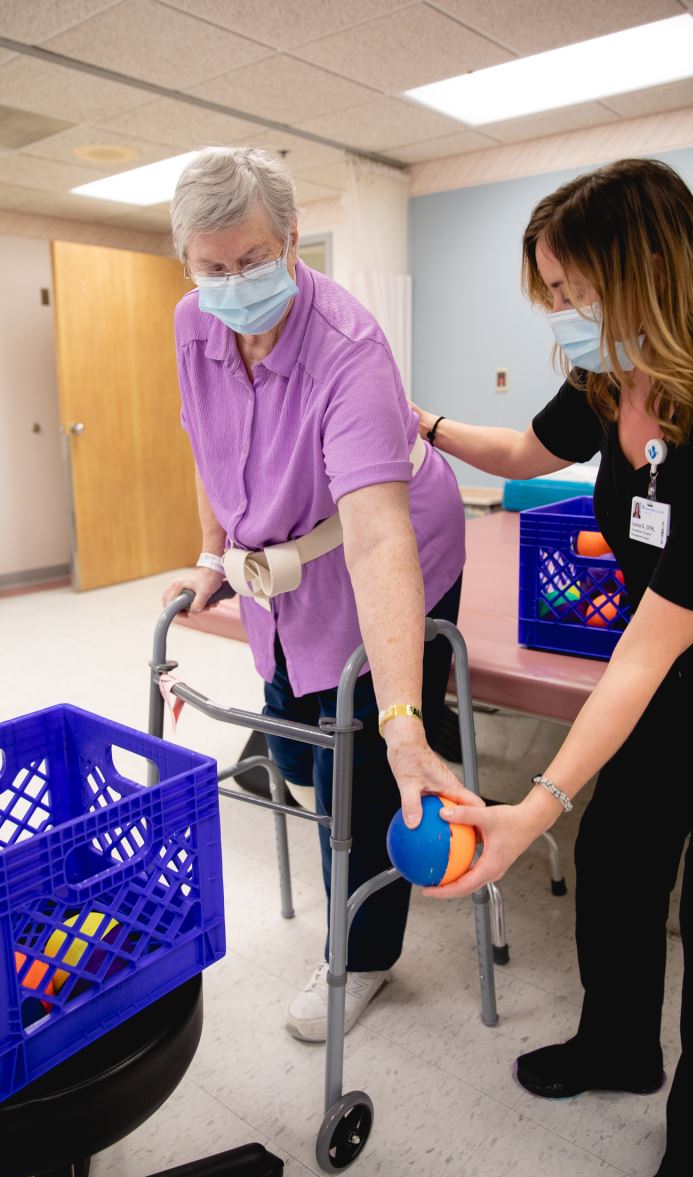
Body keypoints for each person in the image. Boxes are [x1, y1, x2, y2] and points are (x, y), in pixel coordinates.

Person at [413, 158, 693, 1177]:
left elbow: (641, 651)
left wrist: (530, 803)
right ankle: (618, 1046)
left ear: (649, 274)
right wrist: (426, 428)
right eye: (552, 292)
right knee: (618, 861)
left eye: (578, 291)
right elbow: (522, 454)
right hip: (671, 684)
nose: (565, 313)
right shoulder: (603, 381)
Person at [163, 146, 471, 1043]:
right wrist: (209, 557)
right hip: (279, 568)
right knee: (299, 758)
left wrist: (401, 714)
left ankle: (364, 954)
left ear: (294, 239)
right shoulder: (193, 322)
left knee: (363, 764)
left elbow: (378, 537)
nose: (231, 283)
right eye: (211, 267)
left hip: (387, 546)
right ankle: (362, 750)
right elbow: (209, 447)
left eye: (253, 260)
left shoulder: (350, 348)